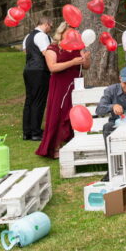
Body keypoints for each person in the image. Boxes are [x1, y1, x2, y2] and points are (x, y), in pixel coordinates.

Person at [36, 22, 91, 159]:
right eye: (70, 31)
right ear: (62, 32)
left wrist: (86, 59)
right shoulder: (53, 48)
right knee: (58, 114)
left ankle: (75, 143)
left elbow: (86, 67)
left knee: (74, 112)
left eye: (74, 31)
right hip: (60, 84)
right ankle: (55, 147)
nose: (73, 34)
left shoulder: (78, 46)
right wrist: (72, 62)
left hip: (75, 83)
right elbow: (52, 67)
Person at [22, 16, 53, 141]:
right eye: (50, 26)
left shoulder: (28, 36)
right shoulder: (42, 36)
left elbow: (26, 51)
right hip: (39, 70)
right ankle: (35, 132)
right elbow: (46, 52)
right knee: (39, 101)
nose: (50, 29)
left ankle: (27, 132)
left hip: (28, 70)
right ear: (46, 24)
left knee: (29, 101)